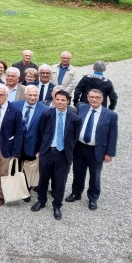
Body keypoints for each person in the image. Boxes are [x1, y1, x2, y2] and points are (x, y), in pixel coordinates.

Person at [31, 90, 82, 220]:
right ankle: (41, 201)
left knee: (60, 181)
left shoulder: (75, 118)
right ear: (54, 100)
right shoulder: (47, 114)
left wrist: (68, 151)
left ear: (68, 101)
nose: (59, 102)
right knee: (43, 179)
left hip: (63, 153)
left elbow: (74, 138)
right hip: (48, 151)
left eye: (63, 100)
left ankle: (57, 205)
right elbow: (41, 132)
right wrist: (41, 149)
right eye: (57, 99)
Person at [66, 89, 118, 211]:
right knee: (78, 172)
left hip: (97, 149)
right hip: (79, 147)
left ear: (102, 99)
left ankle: (93, 198)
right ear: (88, 98)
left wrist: (109, 153)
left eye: (97, 97)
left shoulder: (110, 115)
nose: (94, 99)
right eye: (91, 97)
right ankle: (76, 193)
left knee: (95, 175)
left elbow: (113, 135)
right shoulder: (81, 108)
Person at [0, 83, 24, 207]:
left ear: (7, 95)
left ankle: (0, 195)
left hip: (5, 145)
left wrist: (16, 152)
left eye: (2, 95)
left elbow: (19, 132)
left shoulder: (15, 110)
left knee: (4, 172)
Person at [14, 86, 49, 199]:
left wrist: (41, 149)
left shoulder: (45, 109)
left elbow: (46, 132)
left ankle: (26, 191)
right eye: (30, 95)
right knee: (16, 167)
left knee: (28, 169)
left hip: (33, 144)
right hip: (16, 144)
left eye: (35, 95)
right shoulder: (15, 105)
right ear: (25, 95)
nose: (33, 97)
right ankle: (15, 189)